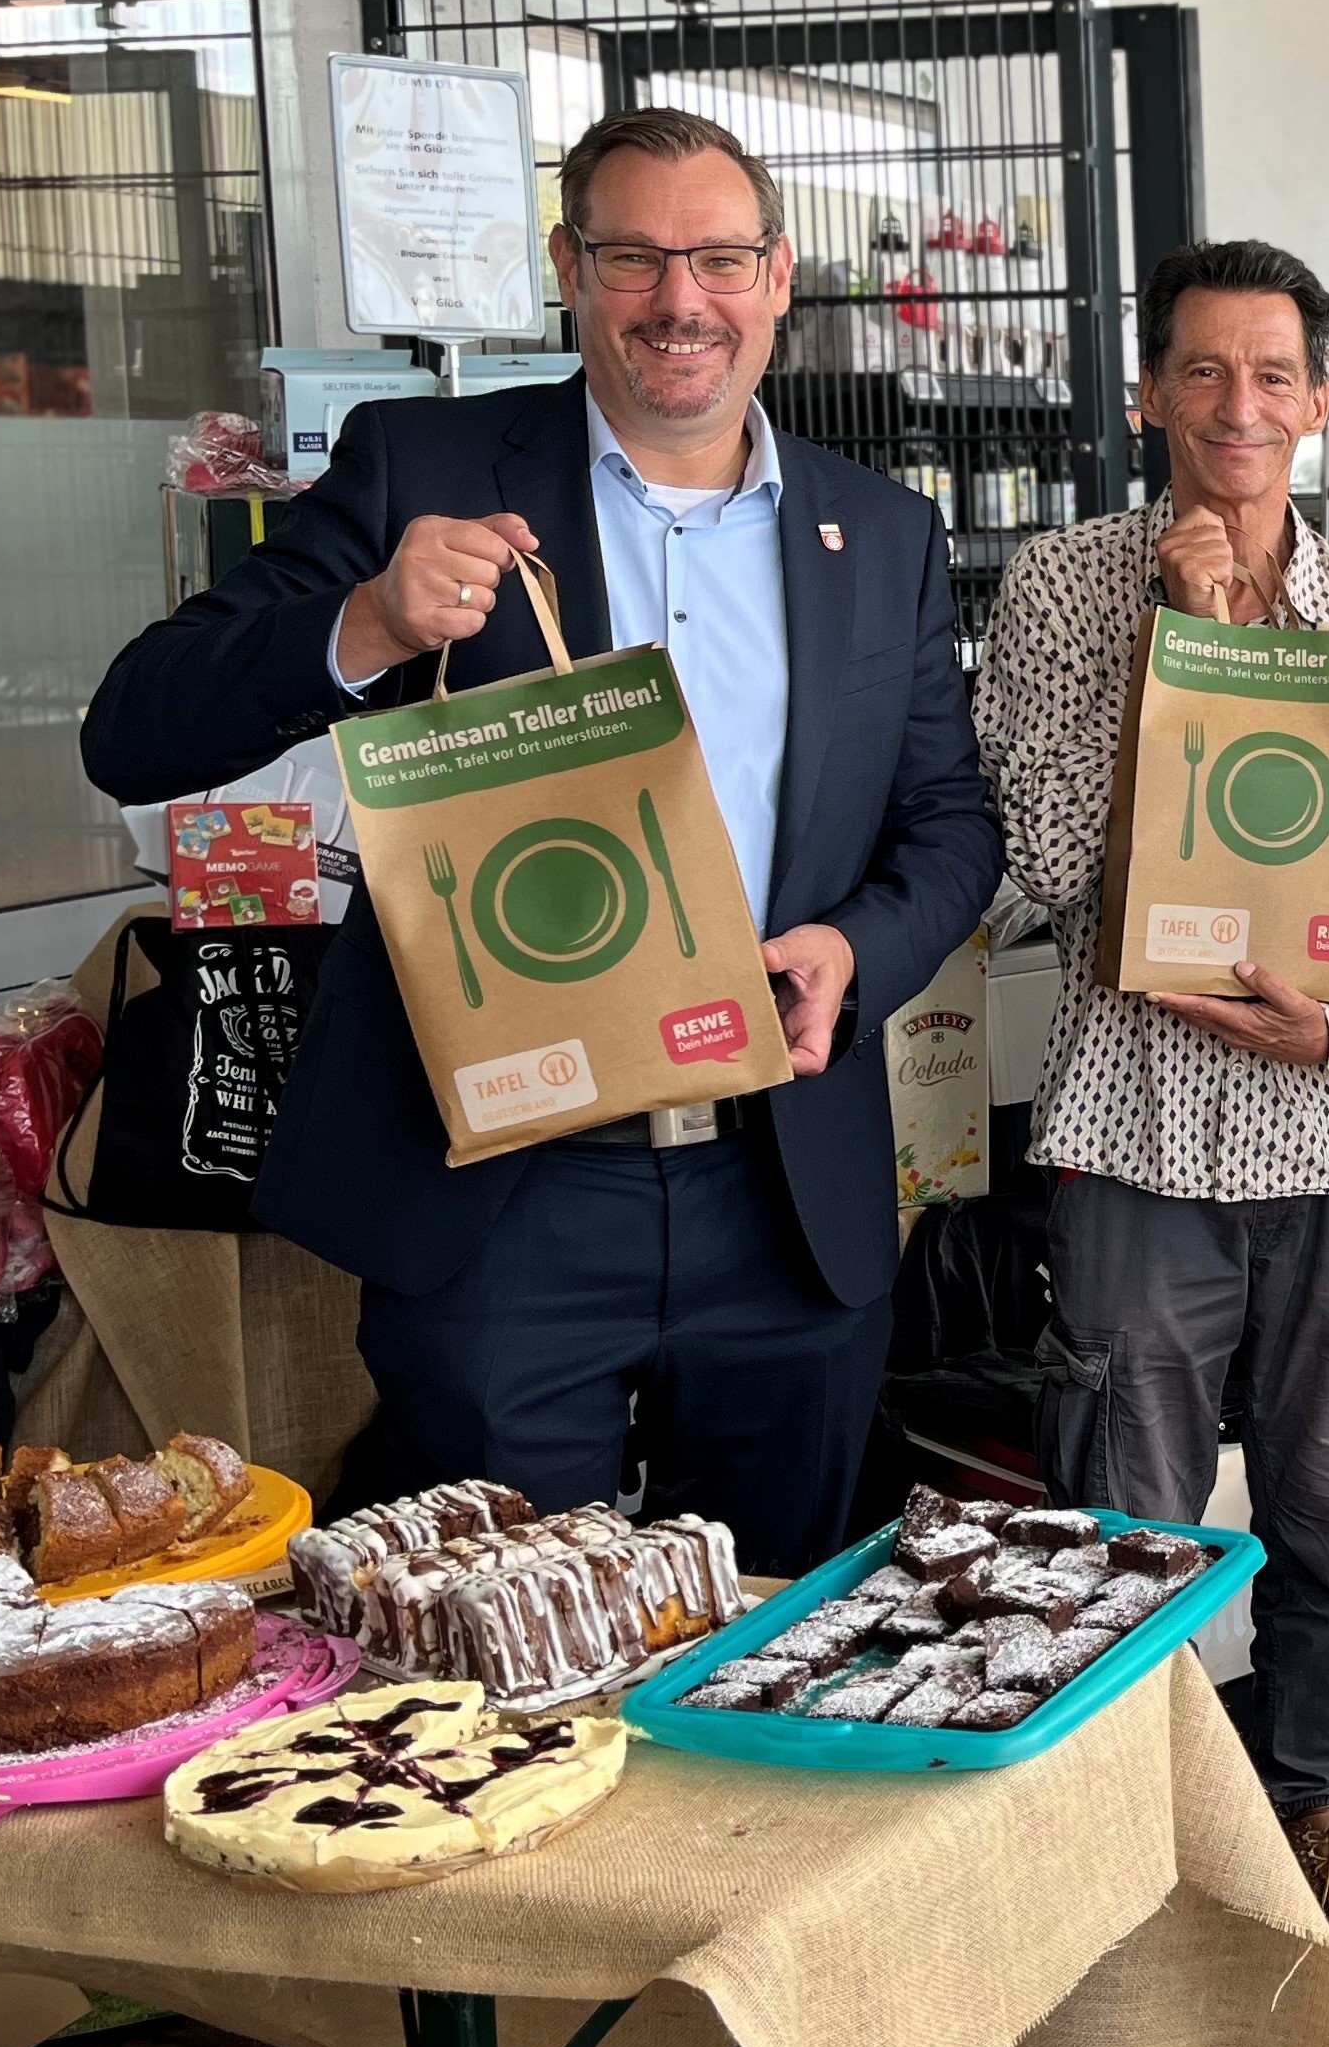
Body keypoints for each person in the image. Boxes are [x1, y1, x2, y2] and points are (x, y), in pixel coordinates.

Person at [81, 107, 998, 1573]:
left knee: (766, 1648)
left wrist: (855, 952)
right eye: (634, 256)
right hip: (502, 1191)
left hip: (783, 1188)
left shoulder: (878, 532)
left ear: (779, 274)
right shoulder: (420, 468)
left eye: (717, 258)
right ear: (569, 268)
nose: (678, 301)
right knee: (498, 1658)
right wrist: (366, 622)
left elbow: (950, 829)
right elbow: (130, 731)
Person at [973, 237, 1329, 2026]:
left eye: (1273, 377)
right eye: (1202, 373)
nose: (1238, 409)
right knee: (1116, 1516)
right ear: (1148, 396)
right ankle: (1129, 1860)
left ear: (1324, 407)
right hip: (1133, 1129)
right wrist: (1176, 641)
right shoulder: (1058, 592)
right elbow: (1047, 850)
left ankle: (1307, 1838)